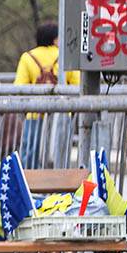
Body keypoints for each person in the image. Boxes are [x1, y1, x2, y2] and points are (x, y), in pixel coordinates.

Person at [13, 22, 79, 168]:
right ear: (55, 39)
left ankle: (31, 185)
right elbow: (77, 84)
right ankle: (59, 185)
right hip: (61, 114)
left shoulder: (28, 57)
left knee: (30, 154)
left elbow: (19, 87)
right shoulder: (65, 57)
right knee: (60, 154)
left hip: (34, 114)